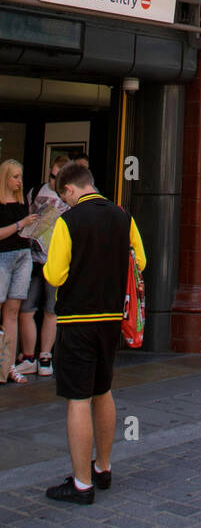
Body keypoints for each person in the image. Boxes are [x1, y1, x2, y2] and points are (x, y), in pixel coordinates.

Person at [43, 161, 146, 503]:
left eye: (64, 196)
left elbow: (55, 275)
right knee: (103, 390)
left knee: (77, 398)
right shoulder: (123, 216)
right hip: (110, 319)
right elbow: (140, 262)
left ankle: (81, 484)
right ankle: (102, 467)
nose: (65, 203)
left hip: (76, 320)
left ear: (70, 189)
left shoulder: (68, 222)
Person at [17, 155, 71, 377]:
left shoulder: (70, 198)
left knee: (51, 310)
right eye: (52, 176)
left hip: (55, 260)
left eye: (58, 178)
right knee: (26, 308)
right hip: (32, 257)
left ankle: (45, 356)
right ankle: (29, 355)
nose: (54, 181)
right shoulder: (35, 192)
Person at [0, 160, 37, 384]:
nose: (18, 181)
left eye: (20, 176)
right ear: (4, 177)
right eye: (14, 176)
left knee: (13, 311)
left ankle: (9, 365)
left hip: (23, 255)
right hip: (3, 256)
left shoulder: (22, 201)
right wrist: (20, 224)